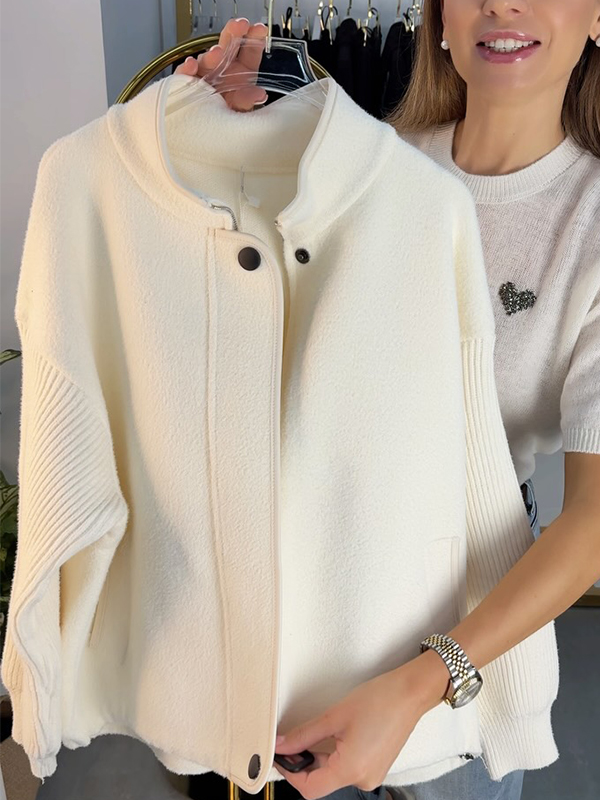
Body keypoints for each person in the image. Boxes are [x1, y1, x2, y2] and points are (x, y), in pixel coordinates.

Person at [174, 3, 600, 799]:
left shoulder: (590, 221)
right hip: (313, 561)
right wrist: (220, 153)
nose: (502, 4)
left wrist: (424, 683)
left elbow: (595, 520)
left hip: (474, 596)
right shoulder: (360, 164)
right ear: (439, 19)